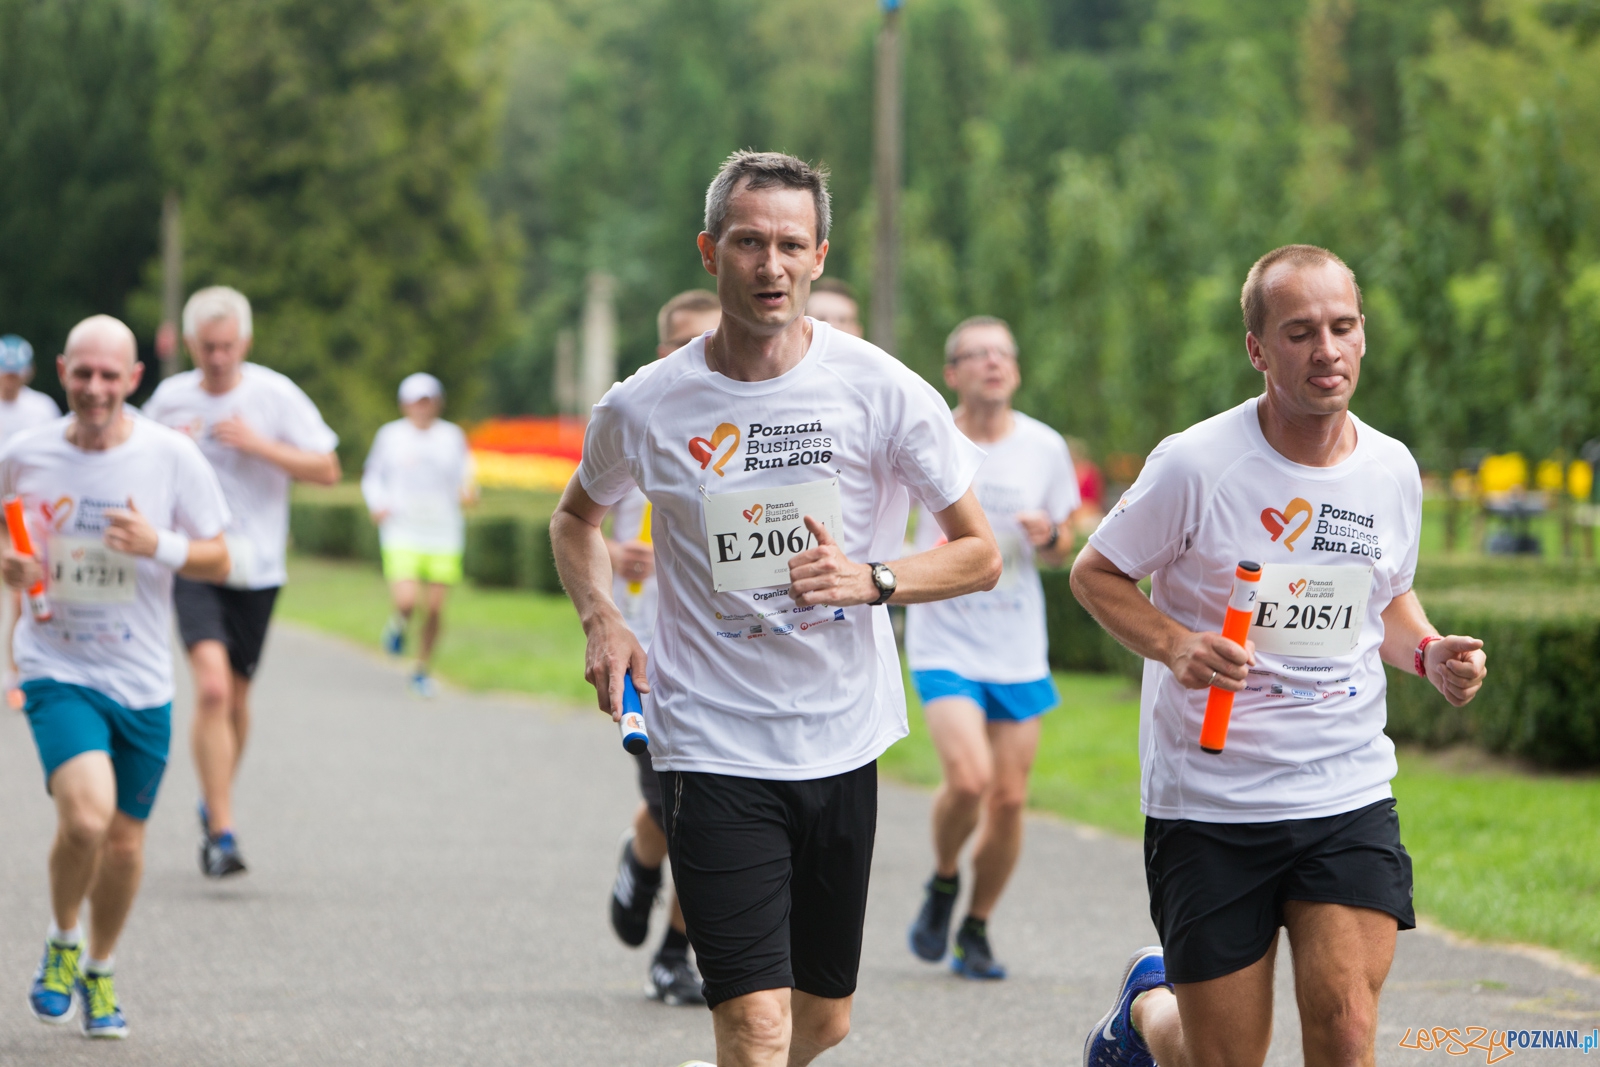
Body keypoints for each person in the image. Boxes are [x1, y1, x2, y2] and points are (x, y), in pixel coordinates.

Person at [551, 150, 1002, 1067]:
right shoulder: (645, 404)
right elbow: (574, 520)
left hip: (840, 738)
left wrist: (874, 578)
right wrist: (604, 616)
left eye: (791, 245)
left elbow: (979, 553)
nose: (771, 266)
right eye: (749, 243)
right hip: (709, 740)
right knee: (755, 1026)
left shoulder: (881, 389)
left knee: (820, 1022)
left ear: (821, 255)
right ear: (710, 249)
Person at [1070, 245, 1488, 1067]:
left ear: (1363, 334)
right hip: (1213, 802)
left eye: (1342, 326)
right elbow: (1096, 572)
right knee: (1224, 1055)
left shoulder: (1391, 467)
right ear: (1258, 349)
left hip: (1345, 786)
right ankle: (1145, 1018)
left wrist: (1431, 651)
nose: (1326, 349)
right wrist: (1176, 643)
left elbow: (1385, 598)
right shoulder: (1196, 464)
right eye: (1300, 332)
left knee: (1345, 1034)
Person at [6, 315, 230, 1039]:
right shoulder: (25, 453)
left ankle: (98, 968)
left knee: (126, 844)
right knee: (85, 818)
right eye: (83, 373)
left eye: (111, 376)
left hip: (140, 677)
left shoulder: (169, 455)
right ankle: (61, 941)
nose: (95, 388)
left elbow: (221, 555)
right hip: (55, 662)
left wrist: (156, 542)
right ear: (63, 370)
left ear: (133, 380)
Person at [143, 285, 341, 878]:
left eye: (228, 346)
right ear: (189, 345)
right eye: (207, 347)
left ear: (245, 343)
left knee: (238, 698)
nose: (218, 358)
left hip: (257, 568)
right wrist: (168, 454)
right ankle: (222, 833)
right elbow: (135, 462)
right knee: (210, 689)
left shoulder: (275, 395)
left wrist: (260, 446)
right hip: (196, 560)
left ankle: (214, 794)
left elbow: (328, 469)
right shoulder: (170, 399)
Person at [903, 316, 1079, 979]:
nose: (992, 364)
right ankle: (944, 877)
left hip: (1016, 643)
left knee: (1008, 797)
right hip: (943, 637)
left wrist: (1049, 535)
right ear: (952, 373)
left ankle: (974, 925)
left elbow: (1066, 546)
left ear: (1017, 369)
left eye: (1003, 353)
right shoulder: (928, 440)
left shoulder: (1045, 447)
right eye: (976, 355)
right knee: (969, 779)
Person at [606, 288, 721, 1007]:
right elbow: (577, 521)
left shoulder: (749, 429)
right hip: (646, 658)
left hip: (719, 657)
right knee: (677, 813)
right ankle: (640, 855)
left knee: (706, 813)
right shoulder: (635, 419)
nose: (697, 352)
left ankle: (675, 951)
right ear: (662, 348)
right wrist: (615, 556)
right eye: (684, 339)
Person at [361, 372, 476, 697]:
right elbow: (373, 476)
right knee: (407, 600)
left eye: (427, 401)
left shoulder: (451, 436)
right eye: (416, 401)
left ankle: (422, 668)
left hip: (443, 530)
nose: (422, 408)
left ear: (437, 403)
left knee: (436, 607)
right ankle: (398, 624)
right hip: (402, 529)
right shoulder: (391, 436)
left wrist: (469, 491)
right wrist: (378, 503)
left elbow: (467, 474)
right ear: (405, 404)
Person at [0, 334, 63, 709]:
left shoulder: (42, 409)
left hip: (26, 515)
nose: (10, 380)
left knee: (22, 594)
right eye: (4, 373)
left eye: (15, 373)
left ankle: (17, 671)